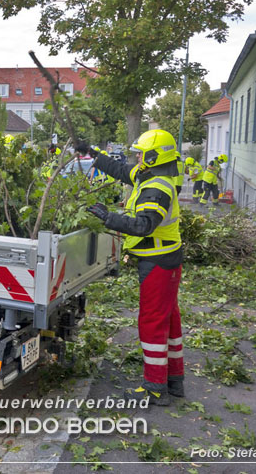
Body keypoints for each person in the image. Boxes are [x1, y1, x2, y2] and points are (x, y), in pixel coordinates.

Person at [76, 130, 183, 405]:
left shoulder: (157, 188)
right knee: (168, 319)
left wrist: (108, 217)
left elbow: (143, 225)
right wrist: (92, 153)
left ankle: (155, 389)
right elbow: (122, 171)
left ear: (152, 156)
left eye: (140, 153)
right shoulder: (149, 176)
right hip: (163, 260)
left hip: (159, 261)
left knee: (152, 322)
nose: (136, 157)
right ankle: (174, 380)